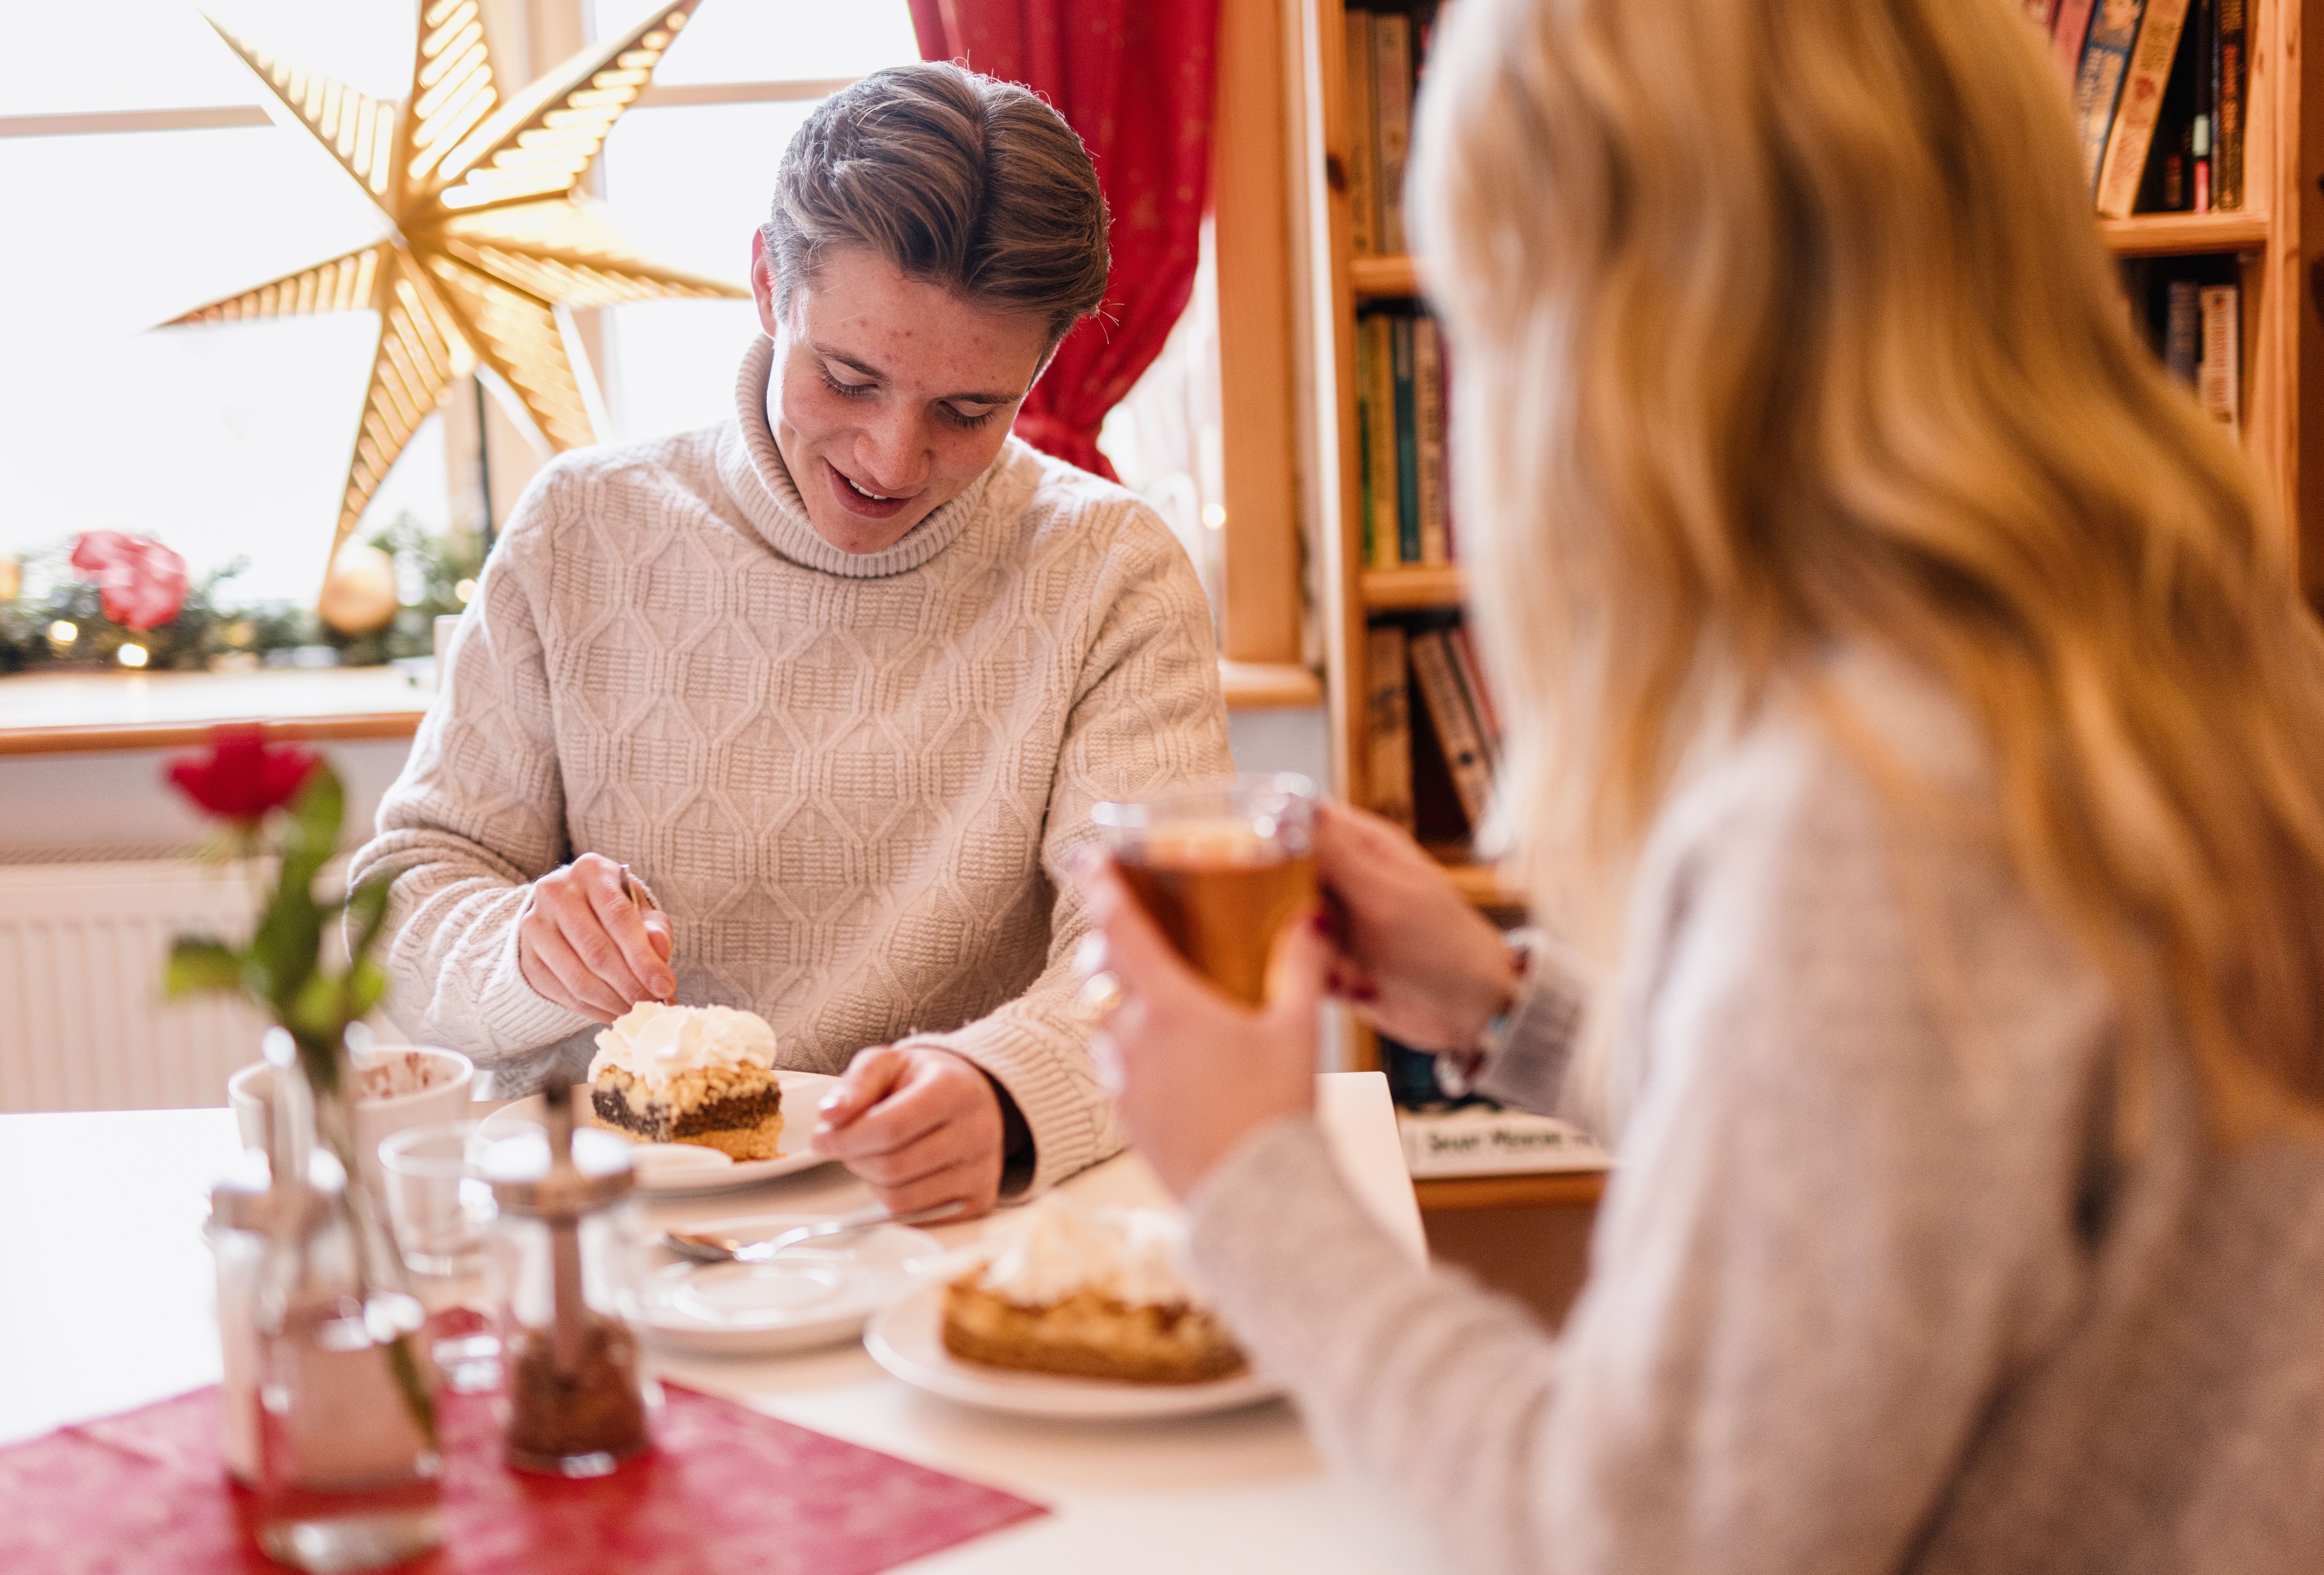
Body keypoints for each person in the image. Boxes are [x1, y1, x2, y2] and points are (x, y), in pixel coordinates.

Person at [1079, 0, 2324, 1568]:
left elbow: (1632, 1538)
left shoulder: (1867, 807)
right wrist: (1506, 1008)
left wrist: (1251, 1181)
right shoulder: (2170, 636)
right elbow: (1915, 1183)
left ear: (1624, 346)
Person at [352, 62, 1229, 1218]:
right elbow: (406, 899)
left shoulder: (1112, 570)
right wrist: (525, 946)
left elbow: (1161, 961)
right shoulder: (582, 527)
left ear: (1043, 366)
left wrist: (1005, 1090)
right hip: (607, 1222)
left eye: (969, 411)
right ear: (769, 282)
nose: (889, 459)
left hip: (933, 1212)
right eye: (848, 377)